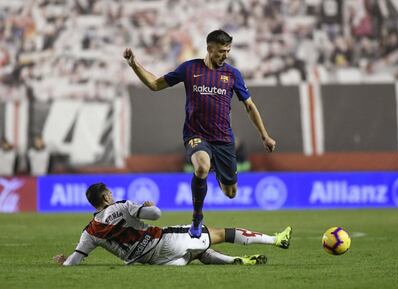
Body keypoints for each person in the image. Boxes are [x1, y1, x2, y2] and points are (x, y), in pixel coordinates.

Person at [123, 29, 276, 238]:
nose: (225, 54)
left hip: (223, 139)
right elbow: (155, 84)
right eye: (221, 51)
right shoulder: (190, 68)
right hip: (196, 135)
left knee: (231, 193)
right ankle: (197, 216)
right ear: (209, 48)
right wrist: (134, 65)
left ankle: (216, 168)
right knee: (202, 167)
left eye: (228, 50)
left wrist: (264, 135)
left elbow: (249, 106)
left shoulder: (232, 74)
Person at [53, 183, 292, 266]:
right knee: (218, 233)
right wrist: (149, 204)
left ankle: (235, 261)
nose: (112, 195)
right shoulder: (121, 205)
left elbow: (74, 260)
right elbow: (156, 215)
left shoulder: (90, 231)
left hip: (152, 262)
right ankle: (276, 239)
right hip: (162, 241)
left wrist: (65, 263)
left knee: (198, 253)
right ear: (105, 198)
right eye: (109, 193)